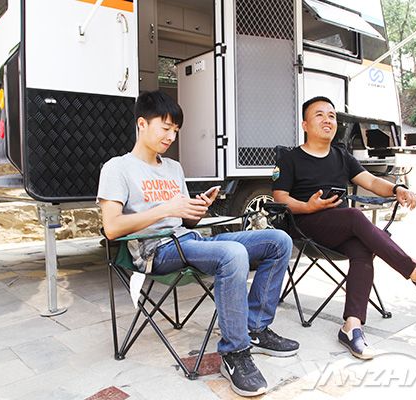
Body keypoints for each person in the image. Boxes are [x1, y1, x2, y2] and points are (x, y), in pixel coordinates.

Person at [97, 90, 299, 397]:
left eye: (176, 130)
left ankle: (256, 328)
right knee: (232, 254)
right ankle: (234, 352)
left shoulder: (173, 168)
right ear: (142, 124)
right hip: (155, 250)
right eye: (165, 127)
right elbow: (112, 228)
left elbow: (185, 222)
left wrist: (197, 208)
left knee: (278, 240)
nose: (171, 136)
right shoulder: (117, 168)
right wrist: (166, 208)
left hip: (188, 239)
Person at [272, 96, 416, 360]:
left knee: (362, 249)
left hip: (341, 227)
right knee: (355, 216)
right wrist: (308, 206)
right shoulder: (291, 159)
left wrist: (397, 188)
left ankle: (351, 326)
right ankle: (415, 271)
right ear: (304, 124)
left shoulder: (341, 155)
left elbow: (370, 181)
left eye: (332, 116)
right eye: (319, 115)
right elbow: (280, 198)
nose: (328, 120)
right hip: (305, 226)